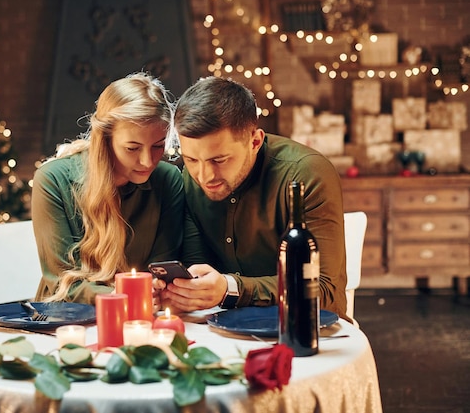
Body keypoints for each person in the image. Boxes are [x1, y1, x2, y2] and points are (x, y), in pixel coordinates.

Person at [158, 76, 348, 318]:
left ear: (255, 141)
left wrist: (232, 288)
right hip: (221, 334)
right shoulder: (190, 180)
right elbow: (198, 272)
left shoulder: (307, 174)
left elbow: (324, 291)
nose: (204, 176)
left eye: (219, 160)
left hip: (306, 333)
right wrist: (185, 291)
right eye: (192, 160)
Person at [31, 72, 183, 304]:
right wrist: (117, 297)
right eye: (132, 148)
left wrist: (156, 287)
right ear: (106, 139)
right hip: (66, 320)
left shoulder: (168, 179)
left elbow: (163, 267)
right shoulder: (52, 180)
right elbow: (60, 281)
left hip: (144, 315)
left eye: (158, 146)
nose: (147, 161)